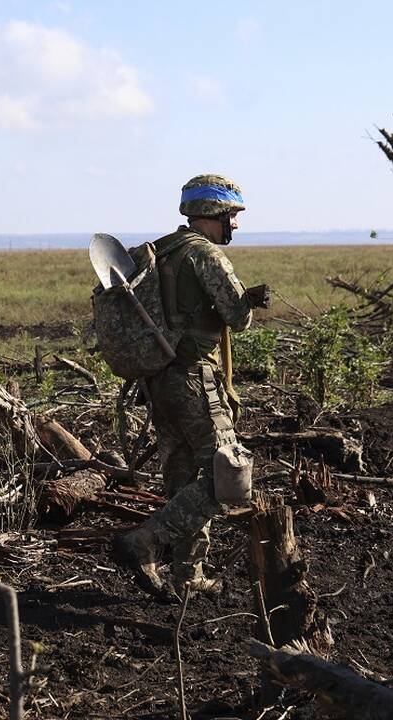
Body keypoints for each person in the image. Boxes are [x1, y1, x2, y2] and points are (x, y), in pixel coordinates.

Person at [112, 174, 270, 600]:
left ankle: (188, 577)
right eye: (231, 216)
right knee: (228, 475)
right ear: (212, 214)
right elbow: (238, 318)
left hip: (160, 379)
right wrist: (248, 302)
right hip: (193, 378)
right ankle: (148, 539)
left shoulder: (162, 250)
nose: (234, 226)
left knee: (183, 479)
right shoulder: (204, 254)